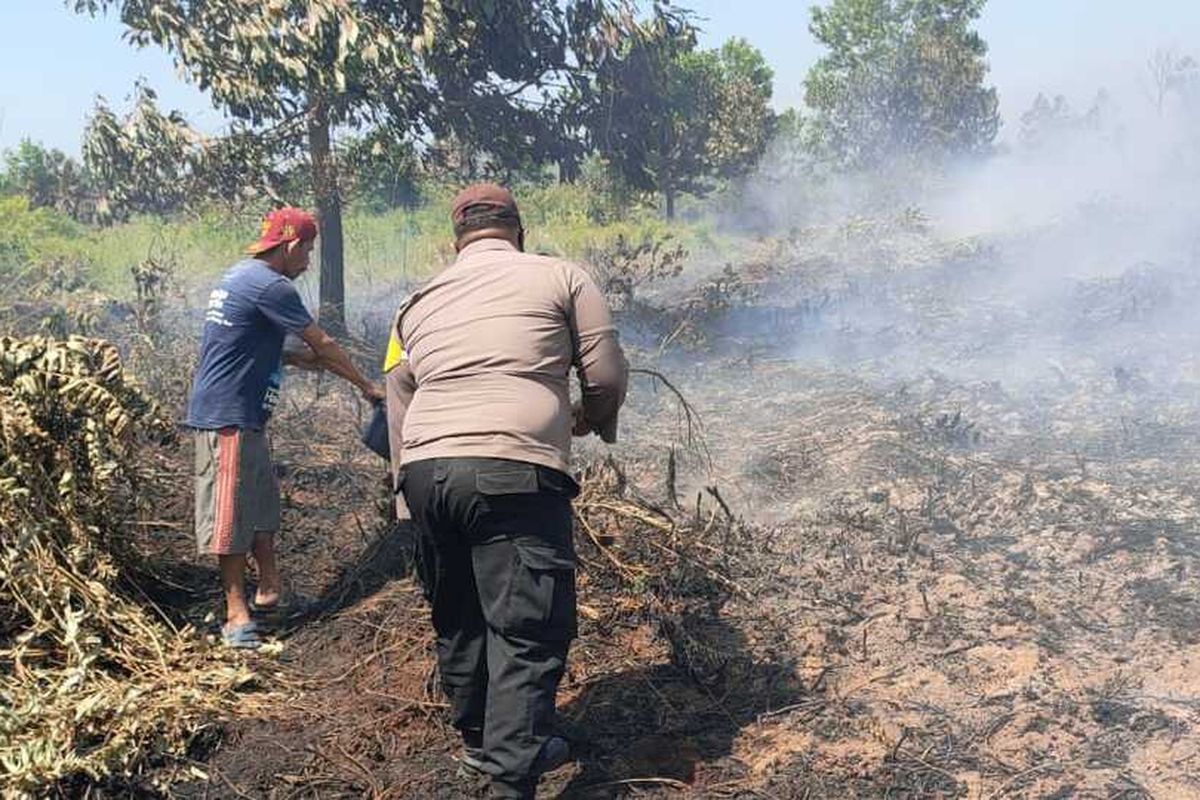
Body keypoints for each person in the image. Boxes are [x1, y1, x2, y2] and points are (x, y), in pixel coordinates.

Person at [383, 184, 628, 798]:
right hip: (513, 470)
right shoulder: (563, 277)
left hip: (425, 472)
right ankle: (508, 779)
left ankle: (482, 745)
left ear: (456, 241)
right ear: (519, 231)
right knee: (526, 627)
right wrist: (590, 417)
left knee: (459, 616)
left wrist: (402, 493)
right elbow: (603, 373)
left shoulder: (416, 303)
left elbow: (398, 393)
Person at [187, 207, 384, 650]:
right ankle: (236, 616)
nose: (309, 262)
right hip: (228, 416)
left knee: (260, 505)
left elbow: (257, 343)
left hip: (245, 414)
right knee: (230, 515)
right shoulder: (271, 284)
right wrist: (367, 386)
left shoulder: (242, 276)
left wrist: (309, 362)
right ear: (292, 245)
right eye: (308, 251)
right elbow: (324, 343)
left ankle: (270, 591)